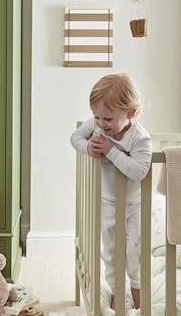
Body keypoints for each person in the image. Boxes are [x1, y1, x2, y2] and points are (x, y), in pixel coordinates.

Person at [70, 73, 152, 310]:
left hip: (134, 205)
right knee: (111, 253)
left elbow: (139, 171)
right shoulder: (96, 123)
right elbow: (75, 137)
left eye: (107, 118)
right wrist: (88, 147)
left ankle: (138, 301)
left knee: (135, 253)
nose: (101, 124)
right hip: (107, 202)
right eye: (97, 117)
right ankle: (116, 299)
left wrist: (110, 151)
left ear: (130, 114)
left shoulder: (140, 139)